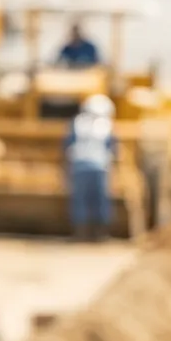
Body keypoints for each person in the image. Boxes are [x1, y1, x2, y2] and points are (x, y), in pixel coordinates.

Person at [65, 91, 118, 241]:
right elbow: (112, 147)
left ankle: (80, 233)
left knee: (80, 200)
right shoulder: (107, 126)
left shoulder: (77, 123)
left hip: (79, 166)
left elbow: (68, 143)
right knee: (100, 200)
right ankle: (101, 234)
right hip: (99, 167)